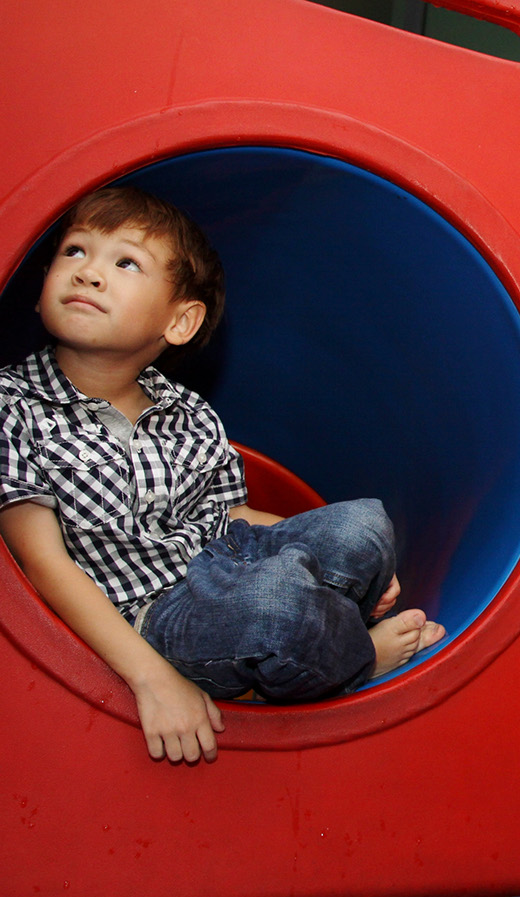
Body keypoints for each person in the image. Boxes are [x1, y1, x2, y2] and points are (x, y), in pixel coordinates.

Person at [0, 186, 445, 764]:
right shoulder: (12, 406)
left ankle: (316, 632)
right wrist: (152, 678)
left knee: (362, 523)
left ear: (180, 321)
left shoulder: (187, 411)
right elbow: (42, 563)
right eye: (74, 252)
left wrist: (329, 550)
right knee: (274, 601)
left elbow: (233, 516)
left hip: (226, 563)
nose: (88, 272)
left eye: (125, 262)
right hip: (150, 615)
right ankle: (352, 660)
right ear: (40, 291)